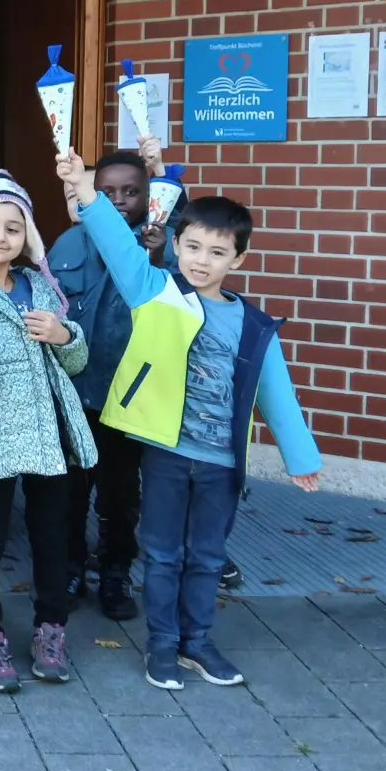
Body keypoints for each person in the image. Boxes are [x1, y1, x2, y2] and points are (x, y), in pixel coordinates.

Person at [58, 148, 323, 690]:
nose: (202, 260)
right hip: (166, 455)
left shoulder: (253, 325)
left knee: (206, 556)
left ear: (238, 260)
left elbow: (276, 392)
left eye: (218, 252)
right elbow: (116, 243)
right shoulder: (154, 291)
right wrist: (84, 188)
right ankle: (162, 645)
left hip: (222, 463)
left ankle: (196, 642)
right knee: (161, 554)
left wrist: (300, 457)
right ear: (175, 245)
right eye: (194, 247)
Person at [0, 166, 97, 694]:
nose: (0, 236)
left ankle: (51, 629)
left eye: (13, 227)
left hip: (46, 433)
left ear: (26, 234)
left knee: (52, 537)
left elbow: (73, 363)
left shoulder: (40, 287)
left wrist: (64, 334)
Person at [49, 139, 172, 620]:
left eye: (131, 191)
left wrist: (159, 258)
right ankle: (71, 566)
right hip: (76, 390)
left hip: (129, 395)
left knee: (120, 495)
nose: (119, 200)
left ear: (148, 195)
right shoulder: (69, 242)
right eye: (107, 192)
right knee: (70, 490)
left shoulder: (164, 243)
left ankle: (116, 571)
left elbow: (177, 306)